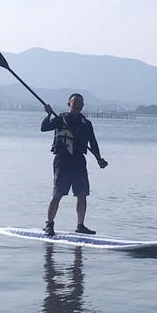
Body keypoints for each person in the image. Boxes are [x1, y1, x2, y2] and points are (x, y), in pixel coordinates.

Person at [41, 93, 108, 236]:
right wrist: (47, 115)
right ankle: (49, 225)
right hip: (62, 160)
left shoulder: (86, 123)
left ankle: (80, 225)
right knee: (58, 194)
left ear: (82, 106)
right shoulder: (61, 119)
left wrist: (99, 159)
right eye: (74, 104)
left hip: (78, 161)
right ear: (69, 104)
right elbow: (44, 128)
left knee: (82, 194)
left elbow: (93, 143)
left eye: (79, 105)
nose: (77, 107)